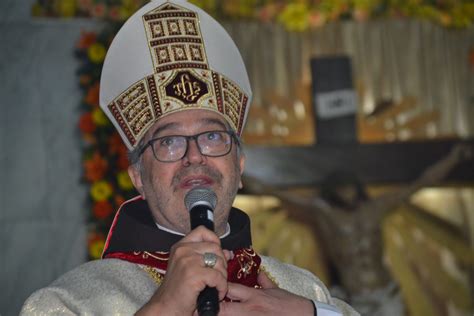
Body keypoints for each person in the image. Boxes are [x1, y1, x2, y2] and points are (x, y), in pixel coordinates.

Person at [20, 1, 357, 315]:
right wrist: (163, 308)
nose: (194, 156)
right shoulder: (73, 302)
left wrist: (310, 313)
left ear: (239, 167)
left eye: (212, 136)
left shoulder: (304, 290)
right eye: (169, 142)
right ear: (138, 175)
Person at [243, 143, 472, 316]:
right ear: (333, 191)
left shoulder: (375, 208)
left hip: (385, 295)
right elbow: (270, 190)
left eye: (350, 187)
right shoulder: (325, 214)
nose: (347, 192)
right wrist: (235, 167)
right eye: (342, 188)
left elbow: (421, 182)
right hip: (353, 298)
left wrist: (453, 159)